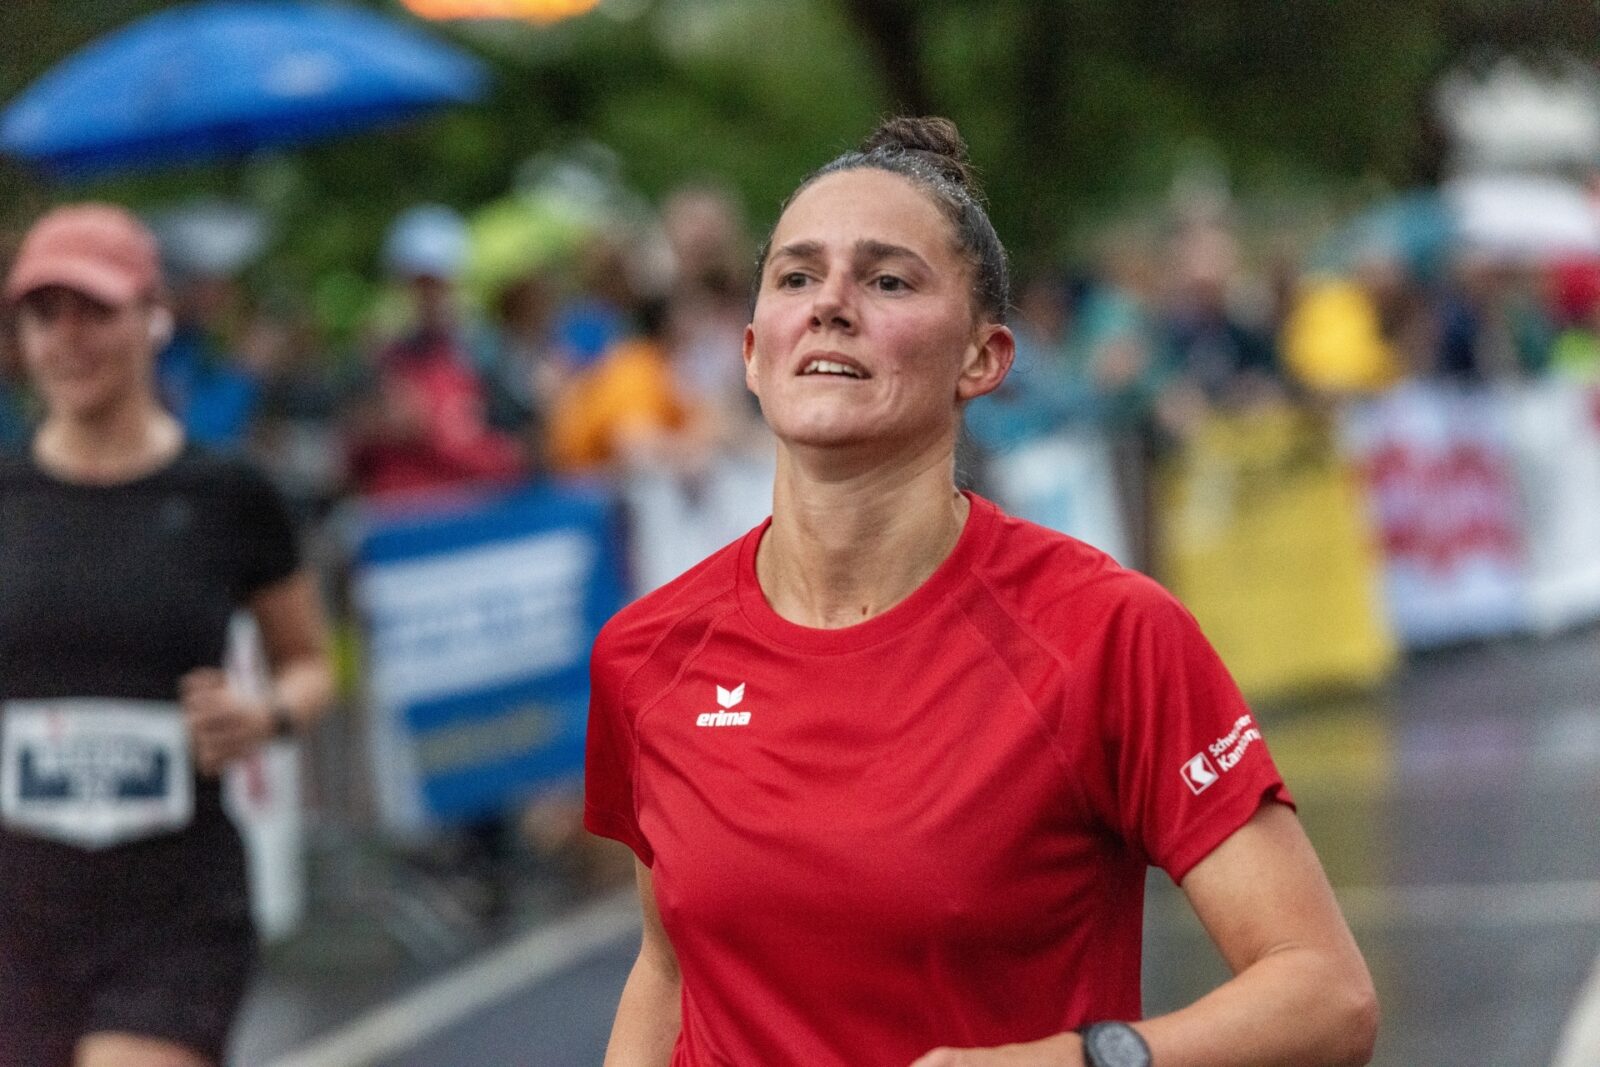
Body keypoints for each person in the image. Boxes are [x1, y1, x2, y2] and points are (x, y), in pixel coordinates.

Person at [584, 118, 1377, 1067]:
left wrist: (1066, 1061)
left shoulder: (1108, 633)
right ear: (753, 352)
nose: (830, 304)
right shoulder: (646, 652)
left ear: (984, 358)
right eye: (796, 277)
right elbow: (669, 969)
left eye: (887, 280)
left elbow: (1326, 997)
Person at [0, 204, 336, 1067]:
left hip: (175, 910)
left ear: (154, 316)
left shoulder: (228, 494)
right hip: (16, 919)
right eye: (45, 315)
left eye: (94, 311)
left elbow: (309, 663)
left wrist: (264, 717)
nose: (68, 339)